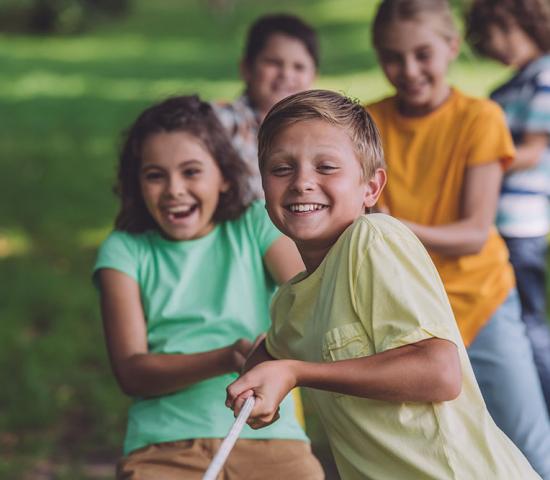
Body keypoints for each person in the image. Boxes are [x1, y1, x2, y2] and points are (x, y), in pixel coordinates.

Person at [226, 89, 539, 480]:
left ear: (371, 188)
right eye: (281, 169)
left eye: (326, 167)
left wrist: (296, 372)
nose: (302, 182)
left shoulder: (373, 238)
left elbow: (439, 372)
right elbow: (270, 357)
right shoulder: (291, 301)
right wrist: (256, 385)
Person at [93, 95, 324, 480]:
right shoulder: (124, 250)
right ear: (136, 184)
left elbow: (311, 296)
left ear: (225, 176)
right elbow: (132, 372)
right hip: (162, 446)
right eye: (155, 175)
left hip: (269, 436)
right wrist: (225, 357)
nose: (174, 190)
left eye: (191, 171)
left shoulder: (254, 225)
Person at [365, 0, 550, 477]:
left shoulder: (479, 118)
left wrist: (390, 227)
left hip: (478, 298)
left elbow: (471, 234)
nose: (408, 70)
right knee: (427, 454)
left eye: (422, 54)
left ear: (451, 48)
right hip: (403, 311)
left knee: (527, 441)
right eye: (392, 57)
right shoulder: (366, 124)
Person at [465, 0, 550, 414]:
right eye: (486, 37)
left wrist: (476, 161)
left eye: (502, 32)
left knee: (527, 323)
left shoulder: (545, 75)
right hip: (493, 220)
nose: (495, 45)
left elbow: (533, 150)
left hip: (522, 221)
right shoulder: (509, 86)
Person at [213, 13, 318, 200]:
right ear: (246, 68)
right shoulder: (221, 124)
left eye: (299, 67)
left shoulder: (320, 130)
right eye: (273, 63)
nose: (286, 74)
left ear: (313, 76)